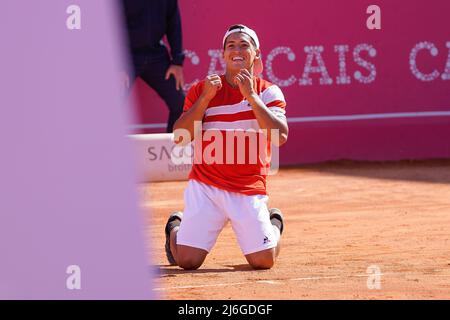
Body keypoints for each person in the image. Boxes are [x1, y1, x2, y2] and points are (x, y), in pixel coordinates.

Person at [165, 24, 289, 270]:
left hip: (248, 188)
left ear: (257, 53)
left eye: (244, 45)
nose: (237, 50)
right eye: (231, 46)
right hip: (206, 188)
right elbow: (180, 137)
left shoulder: (268, 91)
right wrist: (205, 100)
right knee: (187, 262)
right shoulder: (203, 89)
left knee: (263, 261)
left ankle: (273, 223)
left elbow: (279, 136)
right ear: (223, 55)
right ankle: (175, 227)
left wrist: (251, 96)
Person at [121, 0, 185, 133]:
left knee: (181, 104)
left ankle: (172, 150)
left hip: (156, 55)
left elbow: (174, 22)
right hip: (125, 57)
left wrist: (177, 62)